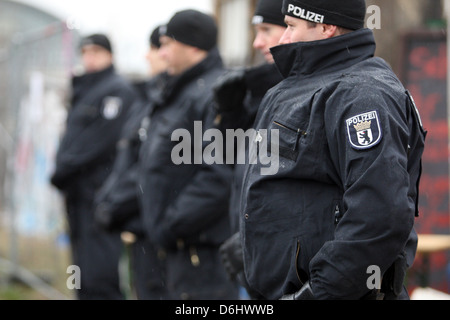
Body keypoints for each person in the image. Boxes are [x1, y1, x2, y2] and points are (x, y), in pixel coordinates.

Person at [240, 0, 427, 300]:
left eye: (290, 26)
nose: (283, 38)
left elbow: (380, 215)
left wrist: (318, 293)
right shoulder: (295, 87)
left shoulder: (362, 94)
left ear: (326, 27)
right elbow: (284, 191)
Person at [137, 9, 239, 300]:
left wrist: (170, 226)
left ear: (194, 46)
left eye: (168, 44)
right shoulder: (179, 92)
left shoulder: (217, 94)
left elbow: (220, 175)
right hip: (176, 248)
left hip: (201, 252)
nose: (162, 53)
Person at [50, 33, 137, 300]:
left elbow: (98, 142)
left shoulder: (117, 90)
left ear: (109, 55)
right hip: (76, 194)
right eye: (85, 52)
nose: (90, 58)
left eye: (97, 52)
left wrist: (62, 170)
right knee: (79, 271)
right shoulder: (83, 89)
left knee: (100, 273)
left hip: (98, 194)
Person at [213, 0, 286, 299]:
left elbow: (295, 190)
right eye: (256, 32)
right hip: (251, 258)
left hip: (283, 265)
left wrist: (259, 242)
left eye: (267, 30)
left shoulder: (308, 91)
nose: (258, 43)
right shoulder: (261, 89)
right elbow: (232, 161)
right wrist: (229, 113)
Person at [93, 26, 169, 300]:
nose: (147, 57)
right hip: (138, 223)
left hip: (157, 228)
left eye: (154, 48)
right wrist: (109, 200)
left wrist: (117, 203)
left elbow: (152, 167)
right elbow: (127, 161)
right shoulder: (148, 100)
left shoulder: (173, 103)